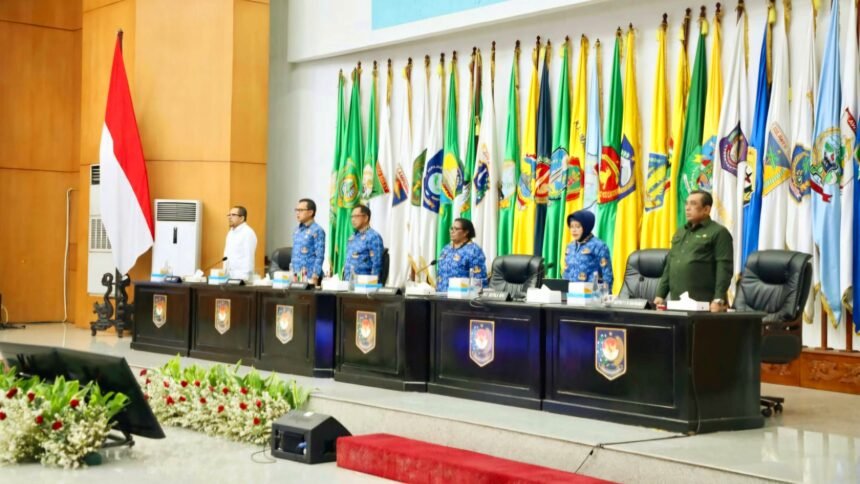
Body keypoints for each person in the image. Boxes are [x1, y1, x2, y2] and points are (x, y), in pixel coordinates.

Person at [654, 190, 733, 312]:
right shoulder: (680, 232)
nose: (687, 208)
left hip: (704, 305)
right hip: (676, 304)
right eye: (686, 204)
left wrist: (718, 299)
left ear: (706, 209)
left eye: (693, 204)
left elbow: (724, 268)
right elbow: (670, 264)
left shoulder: (719, 232)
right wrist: (660, 295)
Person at [562, 210, 613, 288]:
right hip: (569, 295)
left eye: (578, 226)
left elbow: (607, 276)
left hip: (590, 296)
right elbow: (566, 273)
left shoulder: (599, 246)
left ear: (586, 226)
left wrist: (603, 297)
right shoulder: (570, 247)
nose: (574, 230)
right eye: (571, 226)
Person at [436, 218, 488, 292]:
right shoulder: (446, 249)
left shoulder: (474, 250)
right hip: (440, 296)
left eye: (456, 229)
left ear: (466, 232)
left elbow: (479, 279)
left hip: (462, 298)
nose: (452, 231)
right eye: (451, 228)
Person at [343, 205, 384, 281]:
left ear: (366, 218)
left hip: (364, 286)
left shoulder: (373, 237)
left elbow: (377, 265)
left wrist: (372, 287)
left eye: (356, 216)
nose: (353, 220)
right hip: (348, 284)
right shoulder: (352, 237)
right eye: (351, 217)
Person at [291, 198, 325, 284]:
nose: (297, 213)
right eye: (297, 210)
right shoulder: (297, 231)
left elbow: (319, 256)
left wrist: (315, 276)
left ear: (310, 212)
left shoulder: (317, 230)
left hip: (310, 277)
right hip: (297, 276)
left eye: (301, 210)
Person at [223, 205, 257, 280]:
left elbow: (249, 257)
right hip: (228, 277)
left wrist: (245, 279)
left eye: (233, 215)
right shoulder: (231, 233)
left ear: (242, 218)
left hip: (241, 278)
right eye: (229, 215)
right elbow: (227, 255)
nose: (230, 217)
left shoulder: (248, 233)